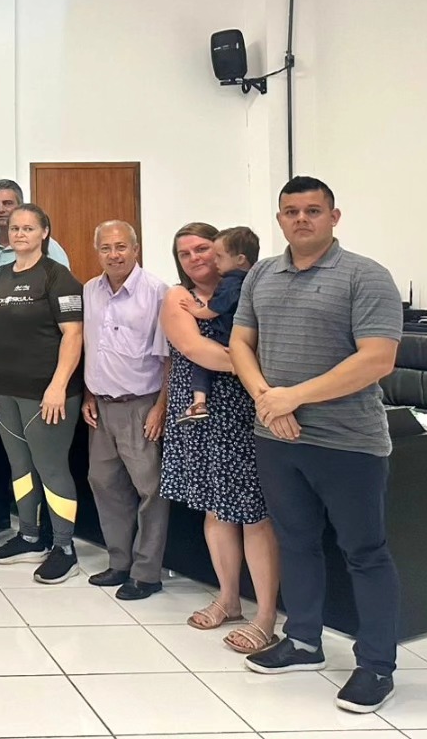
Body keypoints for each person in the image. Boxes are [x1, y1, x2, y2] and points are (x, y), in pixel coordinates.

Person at [231, 177, 403, 714]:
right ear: (279, 219)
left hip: (349, 443)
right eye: (291, 211)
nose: (301, 219)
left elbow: (377, 359)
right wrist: (267, 400)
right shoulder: (262, 273)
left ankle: (376, 666)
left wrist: (292, 398)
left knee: (365, 553)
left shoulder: (365, 275)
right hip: (277, 438)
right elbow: (240, 343)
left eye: (312, 210)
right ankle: (304, 641)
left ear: (334, 216)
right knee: (296, 542)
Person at [160, 222, 281, 657]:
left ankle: (264, 617)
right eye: (185, 253)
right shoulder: (179, 298)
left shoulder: (252, 288)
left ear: (224, 251)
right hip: (202, 414)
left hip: (246, 412)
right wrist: (251, 364)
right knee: (216, 509)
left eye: (203, 249)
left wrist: (253, 368)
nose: (195, 258)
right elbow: (196, 350)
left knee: (253, 514)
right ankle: (229, 599)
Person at [0, 203, 85, 584]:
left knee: (51, 468)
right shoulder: (1, 275)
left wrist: (58, 385)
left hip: (47, 394)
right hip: (6, 390)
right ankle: (29, 537)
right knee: (20, 467)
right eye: (14, 228)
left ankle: (64, 548)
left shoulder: (58, 277)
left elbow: (74, 334)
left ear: (44, 233)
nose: (20, 234)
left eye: (28, 228)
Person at [81, 220, 171, 600]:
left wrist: (160, 408)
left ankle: (147, 573)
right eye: (106, 248)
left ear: (136, 249)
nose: (114, 255)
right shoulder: (90, 290)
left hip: (141, 406)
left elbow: (169, 358)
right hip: (101, 407)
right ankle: (119, 562)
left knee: (150, 489)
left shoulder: (157, 292)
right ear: (97, 251)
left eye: (121, 247)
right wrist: (88, 395)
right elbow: (91, 347)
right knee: (104, 484)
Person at [179, 226, 259, 424]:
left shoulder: (231, 282)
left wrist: (196, 310)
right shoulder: (257, 280)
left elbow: (216, 307)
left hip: (227, 336)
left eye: (218, 256)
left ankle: (199, 401)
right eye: (184, 254)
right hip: (250, 343)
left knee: (201, 366)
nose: (215, 261)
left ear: (239, 259)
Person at [0, 179, 71, 273]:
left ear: (21, 206)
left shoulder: (45, 245)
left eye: (8, 203)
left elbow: (62, 279)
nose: (1, 209)